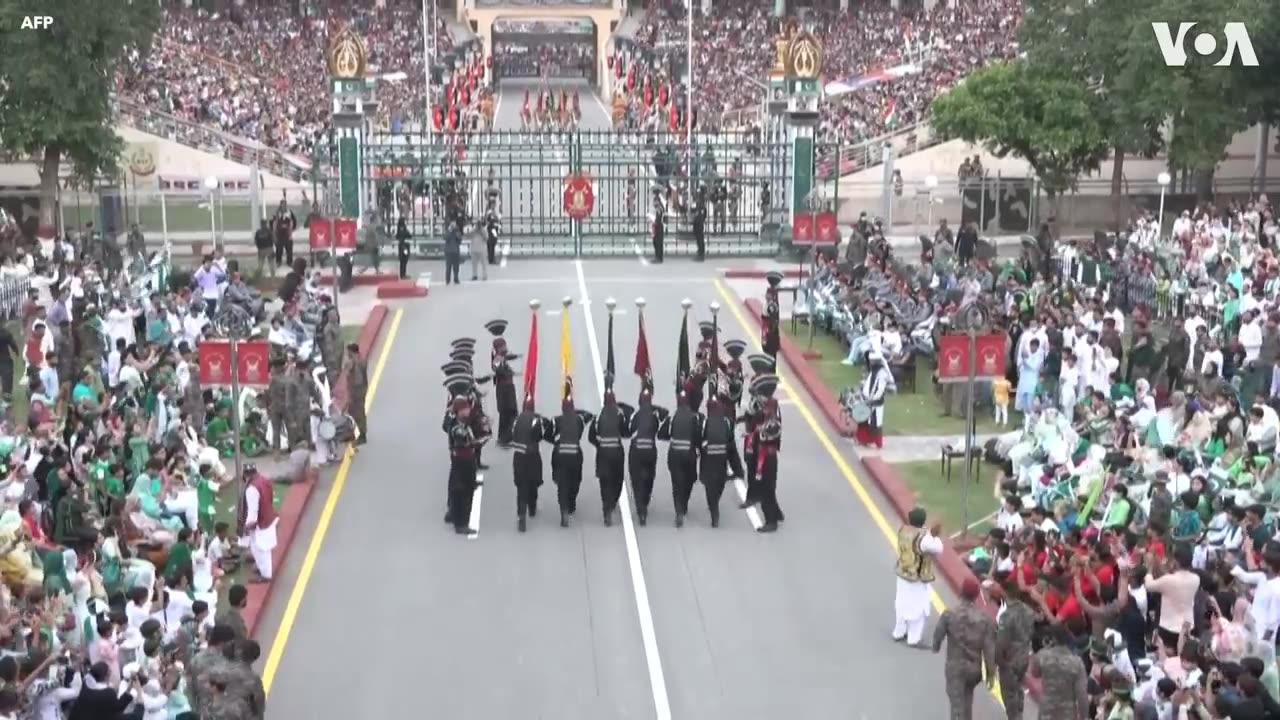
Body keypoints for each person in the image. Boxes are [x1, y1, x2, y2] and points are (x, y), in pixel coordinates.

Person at [931, 578, 996, 720]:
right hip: (974, 670)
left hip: (955, 668)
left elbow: (938, 636)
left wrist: (935, 647)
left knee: (957, 707)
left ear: (961, 592)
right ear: (976, 596)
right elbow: (989, 649)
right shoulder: (984, 619)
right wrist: (991, 674)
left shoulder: (949, 614)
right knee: (967, 700)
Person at [893, 507, 944, 646]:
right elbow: (939, 548)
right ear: (923, 521)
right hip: (917, 578)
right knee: (918, 608)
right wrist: (935, 534)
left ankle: (899, 632)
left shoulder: (903, 530)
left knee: (901, 603)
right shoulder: (925, 538)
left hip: (903, 573)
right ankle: (913, 638)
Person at [699, 396, 743, 528]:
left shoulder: (705, 422)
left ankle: (714, 511)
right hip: (722, 459)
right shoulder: (727, 422)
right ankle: (715, 503)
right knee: (720, 482)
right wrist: (738, 469)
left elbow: (701, 440)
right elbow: (732, 448)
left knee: (709, 485)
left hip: (709, 458)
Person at [659, 389, 701, 528]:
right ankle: (684, 504)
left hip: (675, 454)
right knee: (689, 480)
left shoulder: (672, 418)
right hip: (689, 454)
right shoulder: (694, 417)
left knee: (677, 484)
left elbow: (662, 434)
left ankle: (679, 511)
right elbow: (698, 436)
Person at [443, 375, 479, 535]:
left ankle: (455, 514)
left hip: (464, 459)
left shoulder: (460, 422)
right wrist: (475, 441)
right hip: (461, 459)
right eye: (465, 409)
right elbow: (465, 439)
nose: (468, 410)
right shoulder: (457, 426)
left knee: (460, 488)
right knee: (462, 490)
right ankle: (461, 522)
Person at [588, 385, 628, 527]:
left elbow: (591, 436)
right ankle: (613, 502)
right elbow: (624, 431)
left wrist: (599, 444)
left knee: (604, 481)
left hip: (603, 453)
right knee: (617, 479)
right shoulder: (620, 414)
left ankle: (606, 510)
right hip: (616, 451)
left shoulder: (598, 417)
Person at [550, 384, 589, 528]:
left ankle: (564, 510)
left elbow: (550, 435)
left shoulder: (557, 420)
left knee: (562, 484)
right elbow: (588, 415)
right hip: (575, 454)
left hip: (560, 453)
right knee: (575, 480)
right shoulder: (579, 420)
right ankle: (571, 503)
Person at [1030, 624, 1089, 720]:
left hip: (1047, 711)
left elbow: (1034, 673)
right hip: (1067, 714)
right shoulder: (1077, 663)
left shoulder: (1042, 656)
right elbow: (1082, 694)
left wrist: (1044, 649)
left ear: (1052, 639)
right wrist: (1084, 717)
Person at [626, 382, 665, 527]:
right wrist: (652, 408)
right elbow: (663, 415)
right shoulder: (654, 416)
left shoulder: (635, 415)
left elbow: (629, 429)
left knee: (636, 480)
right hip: (650, 450)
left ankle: (640, 509)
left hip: (636, 450)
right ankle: (646, 502)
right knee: (649, 477)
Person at [510, 392, 550, 532]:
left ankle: (521, 515)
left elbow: (512, 435)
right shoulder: (535, 420)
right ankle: (532, 508)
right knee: (533, 482)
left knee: (521, 486)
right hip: (532, 455)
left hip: (519, 456)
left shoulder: (516, 420)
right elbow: (539, 436)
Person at [752, 374, 785, 531]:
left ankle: (771, 521)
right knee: (769, 487)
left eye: (766, 406)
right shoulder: (770, 417)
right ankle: (777, 513)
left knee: (767, 489)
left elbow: (765, 434)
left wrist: (759, 429)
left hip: (768, 457)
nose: (764, 407)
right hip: (766, 455)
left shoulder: (773, 424)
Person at [239, 465, 278, 583]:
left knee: (260, 549)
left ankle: (266, 575)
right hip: (268, 517)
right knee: (263, 548)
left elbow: (253, 510)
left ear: (245, 474)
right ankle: (263, 569)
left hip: (260, 523)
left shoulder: (252, 488)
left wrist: (247, 526)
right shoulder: (264, 480)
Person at [486, 319, 518, 447]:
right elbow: (497, 368)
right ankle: (504, 439)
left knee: (511, 412)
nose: (506, 347)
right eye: (503, 346)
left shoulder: (501, 356)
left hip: (508, 388)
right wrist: (506, 370)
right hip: (504, 389)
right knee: (506, 413)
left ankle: (508, 436)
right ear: (499, 348)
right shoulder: (497, 358)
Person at [67, 661, 136, 720]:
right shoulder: (108, 693)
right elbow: (117, 709)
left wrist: (129, 688)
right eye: (110, 671)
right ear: (106, 676)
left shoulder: (86, 685)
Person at [857, 352, 893, 449]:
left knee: (875, 423)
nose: (870, 362)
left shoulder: (882, 373)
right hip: (867, 400)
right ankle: (863, 440)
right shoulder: (874, 371)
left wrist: (872, 399)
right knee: (863, 420)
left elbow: (880, 389)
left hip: (875, 403)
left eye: (872, 361)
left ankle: (878, 443)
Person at [344, 342, 369, 445]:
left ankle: (362, 435)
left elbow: (355, 379)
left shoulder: (353, 362)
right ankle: (354, 432)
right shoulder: (362, 359)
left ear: (351, 351)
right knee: (353, 412)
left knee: (358, 413)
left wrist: (351, 394)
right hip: (362, 388)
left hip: (356, 391)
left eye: (348, 352)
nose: (347, 353)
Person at [271, 199, 296, 269]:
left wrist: (291, 234)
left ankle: (289, 262)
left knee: (289, 249)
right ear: (280, 205)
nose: (283, 206)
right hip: (279, 234)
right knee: (279, 249)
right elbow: (274, 223)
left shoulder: (289, 212)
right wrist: (274, 233)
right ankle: (278, 261)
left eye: (285, 204)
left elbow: (292, 222)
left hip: (287, 234)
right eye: (282, 204)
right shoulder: (277, 212)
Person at [763, 271, 782, 359]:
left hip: (770, 328)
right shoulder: (769, 304)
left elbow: (773, 318)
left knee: (770, 347)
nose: (766, 296)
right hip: (767, 326)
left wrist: (771, 328)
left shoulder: (772, 306)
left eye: (768, 294)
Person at [443, 220, 462, 285]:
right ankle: (447, 280)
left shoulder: (457, 231)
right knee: (448, 266)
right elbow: (445, 238)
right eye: (452, 224)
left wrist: (456, 232)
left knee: (456, 267)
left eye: (454, 224)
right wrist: (449, 231)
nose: (453, 226)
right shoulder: (448, 231)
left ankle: (456, 278)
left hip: (456, 251)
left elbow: (460, 240)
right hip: (448, 251)